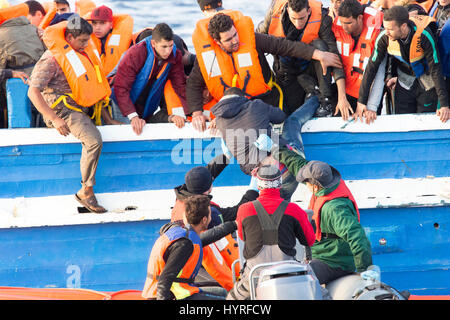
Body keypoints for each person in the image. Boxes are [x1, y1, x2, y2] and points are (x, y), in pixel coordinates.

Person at [187, 11, 343, 131]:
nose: (235, 40)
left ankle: (314, 98)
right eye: (228, 39)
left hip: (268, 101)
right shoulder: (208, 58)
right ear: (217, 42)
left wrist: (319, 55)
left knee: (289, 122)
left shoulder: (252, 39)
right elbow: (193, 84)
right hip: (236, 110)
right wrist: (196, 113)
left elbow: (283, 46)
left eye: (235, 34)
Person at [28, 15, 110, 214]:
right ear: (70, 38)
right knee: (93, 141)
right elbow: (33, 92)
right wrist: (54, 119)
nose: (85, 44)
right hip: (62, 111)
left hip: (81, 107)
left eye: (87, 40)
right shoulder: (51, 59)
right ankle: (86, 191)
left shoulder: (80, 53)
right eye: (82, 41)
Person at [227, 164, 315, 300]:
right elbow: (309, 241)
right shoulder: (294, 210)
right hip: (288, 275)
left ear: (259, 185)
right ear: (279, 184)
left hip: (253, 278)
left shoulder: (244, 210)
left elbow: (242, 237)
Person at [171, 164, 259, 291]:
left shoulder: (181, 200)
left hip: (189, 268)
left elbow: (199, 177)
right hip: (208, 276)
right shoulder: (210, 213)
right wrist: (254, 187)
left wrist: (224, 158)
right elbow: (238, 211)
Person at [211, 87, 309, 201]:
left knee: (279, 207)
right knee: (293, 122)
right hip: (283, 167)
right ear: (243, 97)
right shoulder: (255, 105)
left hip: (261, 179)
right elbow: (281, 116)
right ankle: (316, 99)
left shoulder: (219, 121)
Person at [287, 157, 373, 285]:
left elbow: (357, 237)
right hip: (321, 252)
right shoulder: (327, 183)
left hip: (333, 261)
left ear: (315, 187)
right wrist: (276, 149)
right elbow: (298, 164)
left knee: (301, 281)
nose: (307, 186)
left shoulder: (335, 209)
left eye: (308, 184)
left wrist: (364, 270)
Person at [257, 0, 349, 118]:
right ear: (288, 10)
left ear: (309, 11)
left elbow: (334, 56)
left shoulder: (322, 18)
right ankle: (308, 88)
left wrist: (342, 97)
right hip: (286, 71)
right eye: (293, 18)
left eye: (302, 18)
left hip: (311, 68)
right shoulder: (274, 12)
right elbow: (258, 38)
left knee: (320, 45)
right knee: (288, 112)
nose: (298, 23)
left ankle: (325, 100)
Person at [358, 6, 449, 123]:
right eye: (385, 28)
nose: (386, 32)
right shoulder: (384, 37)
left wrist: (444, 104)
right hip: (405, 82)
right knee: (402, 121)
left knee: (425, 123)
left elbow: (436, 68)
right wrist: (362, 101)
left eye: (390, 29)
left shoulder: (424, 35)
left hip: (427, 82)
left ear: (403, 26)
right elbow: (371, 67)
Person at [142, 194, 237, 300]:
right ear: (205, 220)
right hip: (168, 294)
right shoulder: (184, 244)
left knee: (223, 292)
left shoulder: (183, 233)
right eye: (210, 215)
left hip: (178, 289)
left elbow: (208, 236)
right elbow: (164, 280)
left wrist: (234, 224)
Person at [113, 22, 188, 135]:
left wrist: (191, 113)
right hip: (120, 102)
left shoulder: (175, 54)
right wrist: (133, 116)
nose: (168, 51)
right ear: (153, 43)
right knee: (132, 132)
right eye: (164, 46)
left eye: (171, 45)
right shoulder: (136, 53)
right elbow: (121, 88)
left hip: (145, 105)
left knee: (144, 128)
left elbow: (180, 85)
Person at [332, 0, 385, 122]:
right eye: (342, 22)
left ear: (360, 18)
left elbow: (380, 72)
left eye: (349, 23)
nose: (344, 27)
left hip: (369, 95)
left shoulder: (378, 34)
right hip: (345, 93)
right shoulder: (336, 29)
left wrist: (371, 106)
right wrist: (342, 98)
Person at [0, 8, 46, 128]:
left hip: (22, 87)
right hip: (43, 82)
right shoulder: (35, 29)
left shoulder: (1, 36)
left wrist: (9, 73)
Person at [87, 5, 133, 76]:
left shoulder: (126, 41)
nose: (97, 27)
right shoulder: (85, 40)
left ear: (111, 24)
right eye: (94, 23)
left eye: (102, 23)